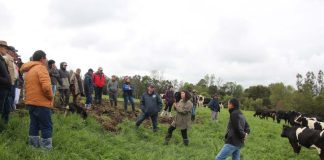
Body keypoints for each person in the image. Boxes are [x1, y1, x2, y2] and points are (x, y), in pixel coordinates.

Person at [20, 50, 54, 150]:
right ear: (42, 59)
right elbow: (47, 87)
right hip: (42, 103)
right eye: (45, 58)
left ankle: (33, 146)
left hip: (31, 102)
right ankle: (46, 149)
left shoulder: (29, 70)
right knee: (46, 125)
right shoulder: (41, 68)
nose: (46, 60)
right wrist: (51, 97)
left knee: (34, 124)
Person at [0, 40, 11, 126]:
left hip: (5, 88)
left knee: (6, 109)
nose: (6, 50)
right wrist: (6, 80)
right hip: (1, 87)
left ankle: (4, 127)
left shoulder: (2, 59)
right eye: (5, 48)